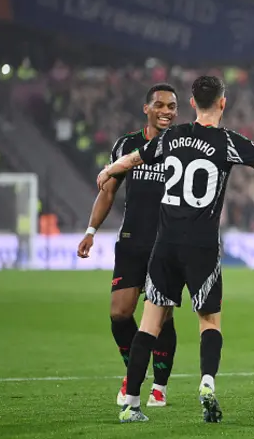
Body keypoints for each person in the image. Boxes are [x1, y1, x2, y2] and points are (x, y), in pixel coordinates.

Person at [97, 75, 254, 424]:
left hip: (165, 243)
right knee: (209, 322)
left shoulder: (172, 136)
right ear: (223, 102)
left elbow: (133, 160)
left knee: (149, 325)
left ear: (191, 103)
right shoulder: (227, 141)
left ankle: (131, 403)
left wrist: (109, 168)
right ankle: (206, 384)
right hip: (202, 246)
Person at [77, 83, 179, 407]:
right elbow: (107, 191)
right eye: (160, 105)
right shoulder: (126, 145)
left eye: (172, 106)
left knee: (162, 318)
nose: (167, 111)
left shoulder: (182, 146)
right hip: (132, 240)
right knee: (120, 314)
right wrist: (91, 230)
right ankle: (134, 371)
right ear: (146, 108)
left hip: (167, 243)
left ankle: (159, 386)